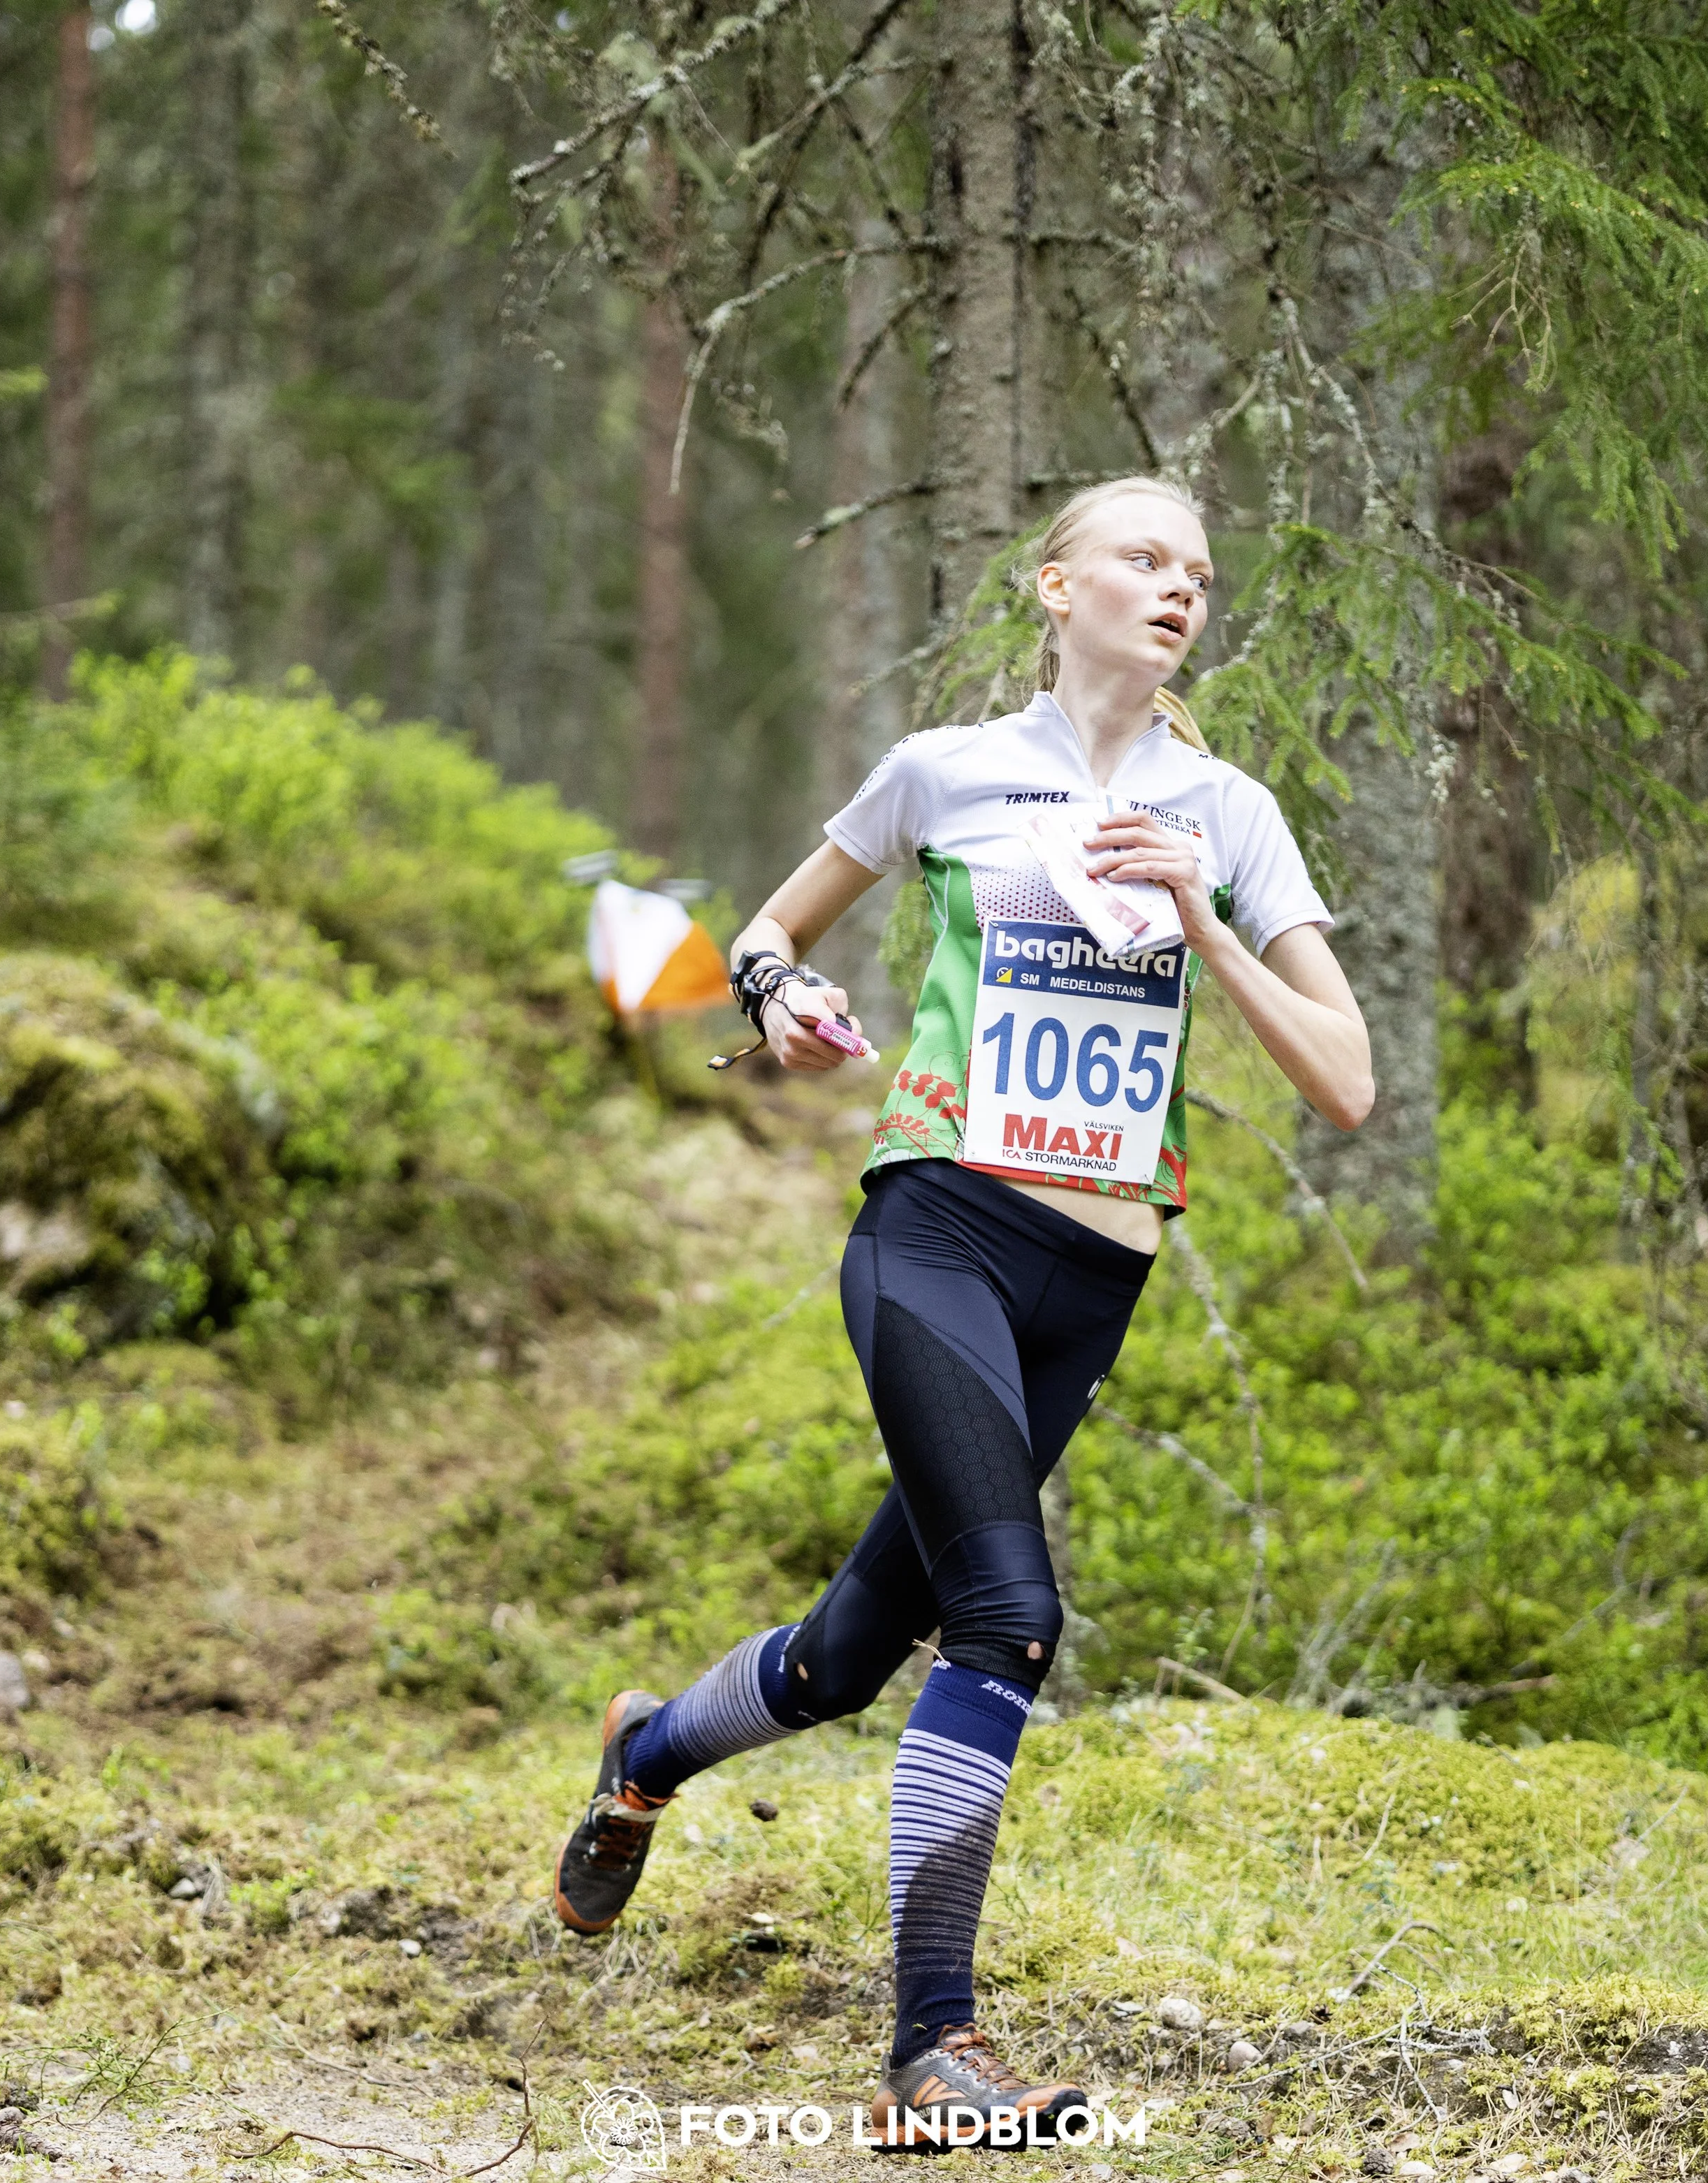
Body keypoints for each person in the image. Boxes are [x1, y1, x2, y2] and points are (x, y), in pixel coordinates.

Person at [551, 476, 1373, 2144]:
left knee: (855, 1651)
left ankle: (646, 1751)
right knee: (1004, 1611)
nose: (1178, 589)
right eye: (1145, 558)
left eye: (1199, 572)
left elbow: (1347, 1081)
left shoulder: (1229, 806)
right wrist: (787, 1000)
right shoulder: (942, 768)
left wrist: (1206, 924)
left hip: (1096, 1268)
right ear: (1054, 585)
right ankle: (931, 2050)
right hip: (936, 1223)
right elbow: (770, 930)